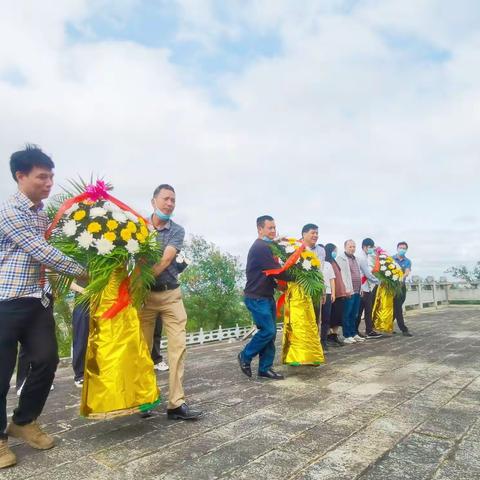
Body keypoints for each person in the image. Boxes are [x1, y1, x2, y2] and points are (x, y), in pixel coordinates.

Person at [0, 145, 86, 469]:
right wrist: (83, 271)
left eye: (51, 176)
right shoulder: (10, 211)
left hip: (37, 300)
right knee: (1, 372)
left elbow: (51, 245)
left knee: (47, 360)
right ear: (21, 176)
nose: (49, 183)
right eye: (42, 177)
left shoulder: (41, 212)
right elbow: (42, 252)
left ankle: (24, 421)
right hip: (6, 301)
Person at [139, 184, 202, 420]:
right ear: (153, 201)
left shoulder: (177, 230)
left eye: (173, 200)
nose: (170, 203)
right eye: (166, 199)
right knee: (143, 350)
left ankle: (176, 403)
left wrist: (138, 281)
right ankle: (144, 400)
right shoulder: (138, 228)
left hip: (170, 294)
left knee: (178, 348)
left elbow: (166, 260)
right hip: (144, 297)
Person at [238, 215, 289, 380]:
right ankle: (245, 355)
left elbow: (268, 275)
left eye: (274, 227)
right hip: (256, 297)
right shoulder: (261, 247)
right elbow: (279, 271)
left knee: (271, 333)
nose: (273, 231)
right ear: (260, 229)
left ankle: (265, 368)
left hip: (266, 296)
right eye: (270, 228)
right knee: (268, 330)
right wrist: (299, 274)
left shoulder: (268, 246)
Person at [281, 225, 324, 366]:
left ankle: (312, 354)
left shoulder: (318, 252)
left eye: (317, 233)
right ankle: (295, 356)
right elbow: (283, 270)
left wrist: (322, 290)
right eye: (313, 233)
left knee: (313, 323)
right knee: (297, 324)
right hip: (297, 293)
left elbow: (319, 273)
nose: (315, 235)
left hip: (312, 291)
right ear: (304, 234)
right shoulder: (292, 248)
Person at [337, 240, 365, 344]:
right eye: (350, 246)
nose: (352, 248)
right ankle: (347, 335)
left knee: (355, 313)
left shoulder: (357, 259)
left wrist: (361, 288)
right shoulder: (340, 259)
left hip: (357, 289)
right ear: (345, 247)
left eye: (354, 246)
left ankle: (354, 333)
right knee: (347, 313)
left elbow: (359, 273)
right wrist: (345, 289)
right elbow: (341, 276)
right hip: (349, 290)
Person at [357, 238, 382, 339]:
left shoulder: (365, 257)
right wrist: (379, 282)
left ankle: (367, 330)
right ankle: (367, 331)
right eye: (370, 247)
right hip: (363, 288)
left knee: (366, 310)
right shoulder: (362, 258)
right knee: (364, 311)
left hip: (366, 288)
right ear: (364, 247)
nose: (372, 249)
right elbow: (368, 274)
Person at [325, 243, 347, 347]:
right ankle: (329, 336)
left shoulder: (334, 262)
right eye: (334, 251)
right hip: (333, 293)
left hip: (340, 292)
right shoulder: (326, 262)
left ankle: (334, 335)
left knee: (338, 316)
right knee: (331, 316)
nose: (335, 253)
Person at [392, 241, 413, 337]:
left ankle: (388, 326)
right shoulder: (391, 259)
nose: (402, 249)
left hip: (401, 286)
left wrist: (400, 278)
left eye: (404, 248)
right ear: (397, 248)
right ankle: (403, 329)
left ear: (406, 250)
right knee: (397, 308)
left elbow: (407, 272)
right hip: (391, 287)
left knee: (397, 306)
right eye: (400, 247)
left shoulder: (407, 261)